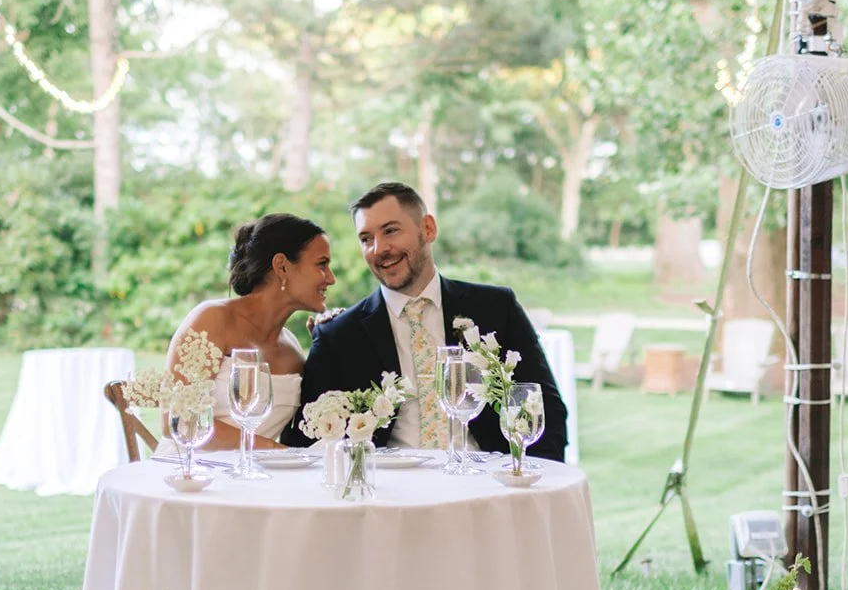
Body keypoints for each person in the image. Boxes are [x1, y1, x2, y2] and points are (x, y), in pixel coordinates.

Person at [283, 181, 567, 459]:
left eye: (391, 231)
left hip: (485, 485)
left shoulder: (496, 308)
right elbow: (308, 439)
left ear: (428, 228)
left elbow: (545, 409)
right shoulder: (338, 335)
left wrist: (527, 487)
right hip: (389, 496)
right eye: (366, 239)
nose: (379, 249)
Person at [164, 214, 335, 448]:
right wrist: (276, 452)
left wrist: (330, 343)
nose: (331, 278)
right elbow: (178, 419)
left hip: (259, 480)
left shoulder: (293, 351)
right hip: (189, 476)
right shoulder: (212, 320)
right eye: (322, 264)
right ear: (282, 266)